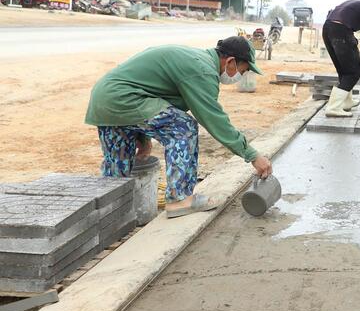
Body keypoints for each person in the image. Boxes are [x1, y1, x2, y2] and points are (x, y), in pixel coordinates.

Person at [84, 36, 273, 218]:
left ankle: (110, 215)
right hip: (126, 99)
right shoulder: (203, 70)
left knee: (117, 165)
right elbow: (214, 120)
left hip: (105, 99)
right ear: (230, 61)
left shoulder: (193, 58)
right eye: (243, 70)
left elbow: (151, 89)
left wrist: (143, 138)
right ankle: (180, 199)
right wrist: (252, 155)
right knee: (184, 127)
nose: (241, 76)